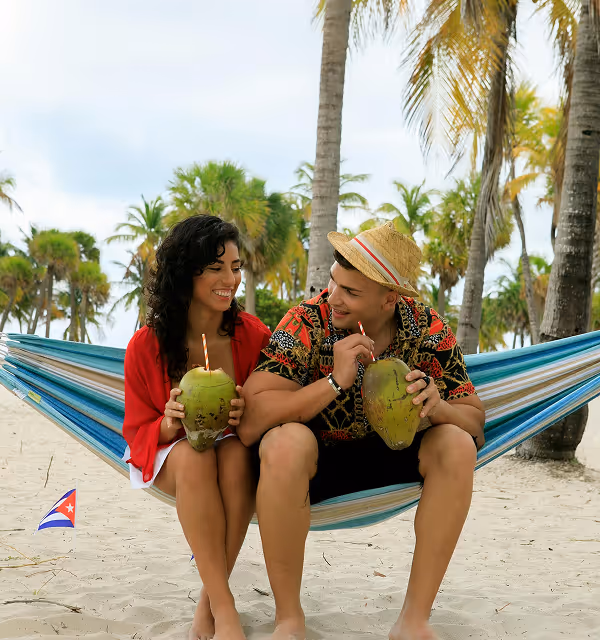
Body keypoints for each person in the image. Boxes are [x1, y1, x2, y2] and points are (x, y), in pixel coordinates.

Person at [239, 222, 485, 640]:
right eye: (333, 284)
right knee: (284, 441)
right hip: (315, 464)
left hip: (397, 456)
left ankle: (413, 620)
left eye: (350, 292)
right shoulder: (307, 321)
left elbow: (475, 422)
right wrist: (333, 381)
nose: (333, 297)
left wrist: (437, 405)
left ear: (390, 299)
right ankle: (288, 620)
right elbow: (251, 423)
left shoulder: (427, 328)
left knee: (457, 445)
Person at [123, 215, 271, 640]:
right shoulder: (145, 346)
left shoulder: (254, 336)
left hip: (235, 453)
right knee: (193, 456)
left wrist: (250, 413)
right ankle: (226, 613)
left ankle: (208, 603)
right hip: (174, 457)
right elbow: (135, 432)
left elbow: (273, 402)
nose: (231, 278)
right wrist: (168, 425)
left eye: (237, 267)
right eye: (217, 267)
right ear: (187, 273)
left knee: (235, 455)